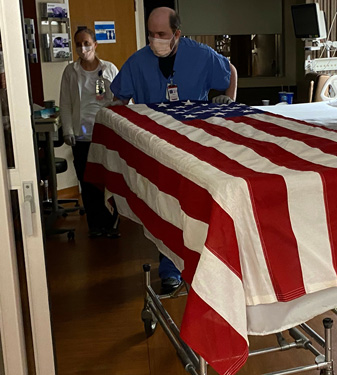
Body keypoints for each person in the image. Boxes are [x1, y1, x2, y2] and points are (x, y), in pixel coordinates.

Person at [111, 7, 237, 294]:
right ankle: (170, 270)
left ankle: (208, 269)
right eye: (151, 35)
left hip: (197, 143)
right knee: (167, 207)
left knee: (199, 207)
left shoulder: (201, 55)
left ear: (177, 34)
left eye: (162, 35)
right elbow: (119, 98)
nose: (155, 40)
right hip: (159, 148)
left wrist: (228, 103)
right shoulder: (138, 61)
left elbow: (230, 71)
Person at [59, 28, 120, 238]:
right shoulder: (70, 71)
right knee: (87, 182)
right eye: (78, 44)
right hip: (81, 135)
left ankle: (111, 224)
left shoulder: (109, 69)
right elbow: (65, 104)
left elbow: (120, 99)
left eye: (86, 43)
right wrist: (67, 130)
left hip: (105, 134)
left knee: (107, 181)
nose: (82, 48)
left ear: (95, 44)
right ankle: (95, 226)